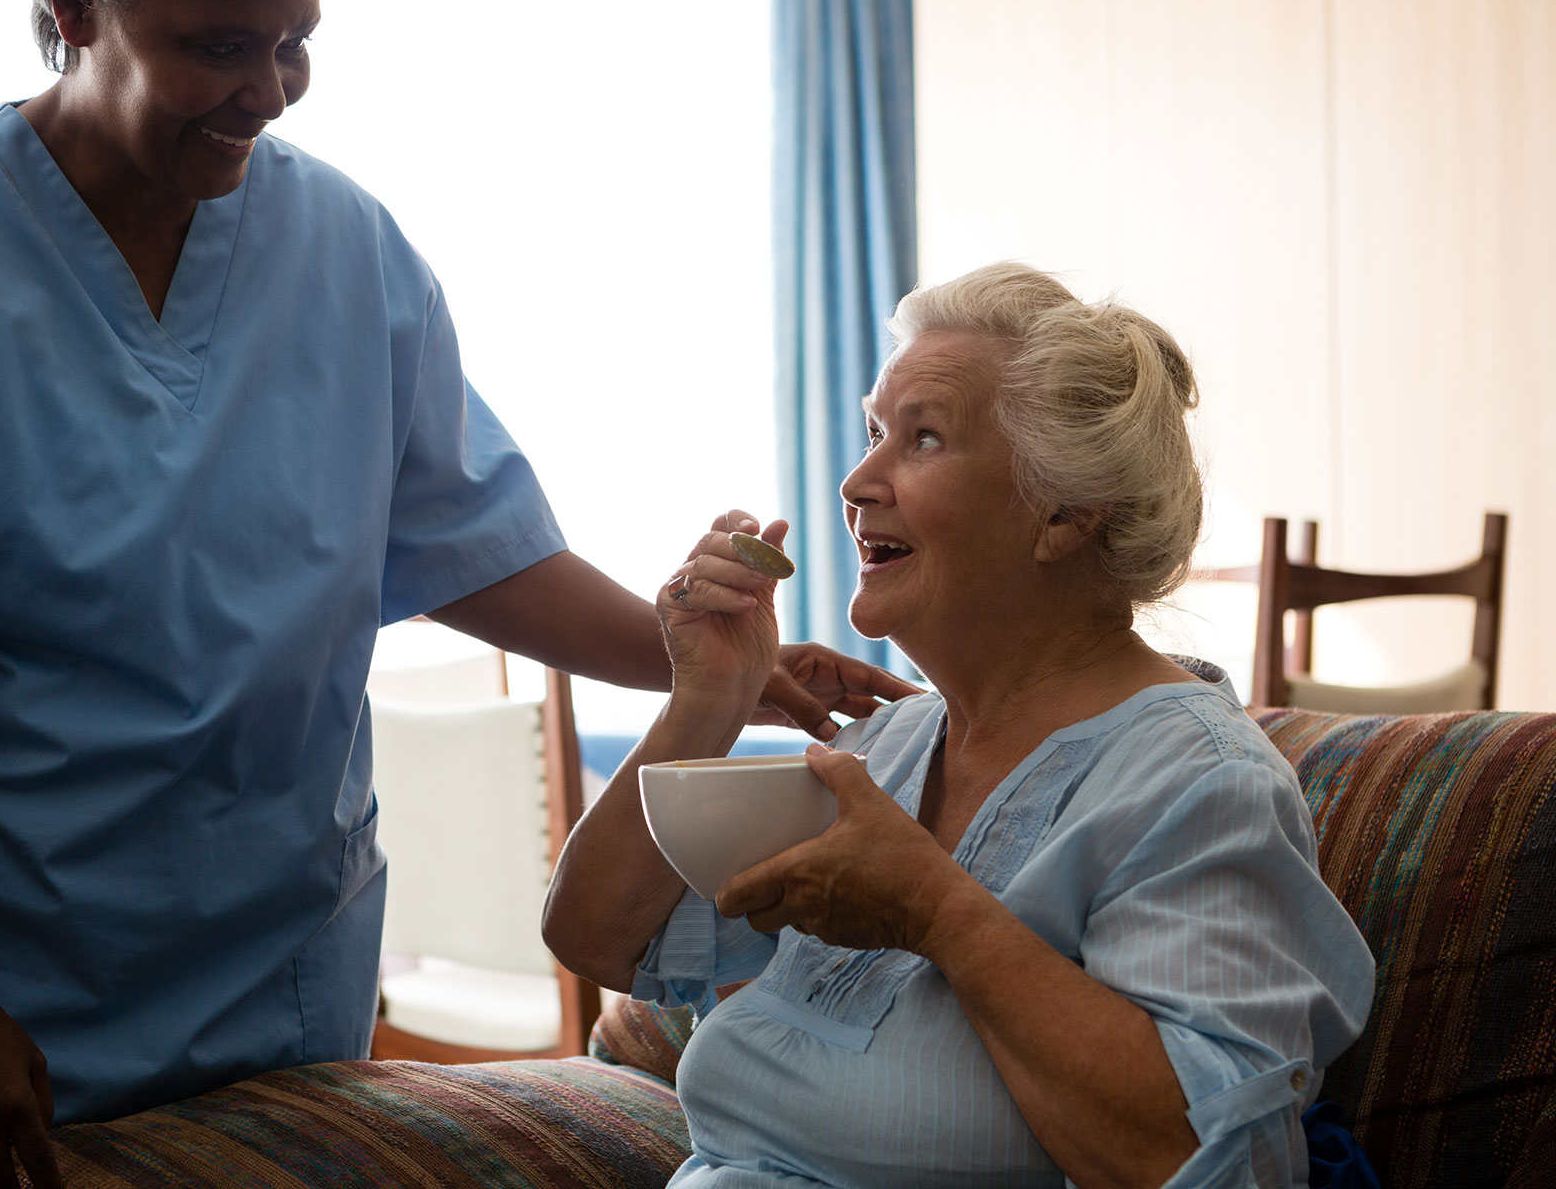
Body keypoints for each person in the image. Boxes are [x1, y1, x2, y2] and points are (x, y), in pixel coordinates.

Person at [0, 0, 916, 1187]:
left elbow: (476, 547)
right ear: (76, 6)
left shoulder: (349, 250)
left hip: (274, 998)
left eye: (297, 40)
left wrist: (707, 667)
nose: (271, 89)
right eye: (223, 45)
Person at [543, 262, 1377, 1187]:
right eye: (873, 433)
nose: (859, 480)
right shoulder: (885, 749)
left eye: (924, 439)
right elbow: (598, 939)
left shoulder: (1198, 781)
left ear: (1063, 515)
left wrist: (936, 911)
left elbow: (1206, 1161)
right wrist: (706, 701)